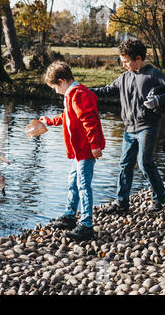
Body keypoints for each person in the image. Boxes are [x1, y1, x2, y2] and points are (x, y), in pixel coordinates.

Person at [89, 39, 165, 214]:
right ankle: (122, 204)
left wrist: (158, 100)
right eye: (122, 61)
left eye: (126, 61)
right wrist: (84, 91)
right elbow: (106, 90)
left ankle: (161, 199)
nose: (124, 65)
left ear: (138, 58)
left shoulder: (154, 74)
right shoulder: (124, 77)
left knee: (145, 162)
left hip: (147, 126)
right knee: (125, 165)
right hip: (129, 128)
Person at [36, 61, 105, 240]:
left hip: (86, 150)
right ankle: (69, 216)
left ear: (62, 81)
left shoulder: (78, 95)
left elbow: (89, 120)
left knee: (83, 184)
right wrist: (48, 121)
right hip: (79, 151)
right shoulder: (71, 95)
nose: (55, 91)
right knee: (73, 180)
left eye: (54, 87)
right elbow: (67, 117)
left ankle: (87, 224)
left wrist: (94, 144)